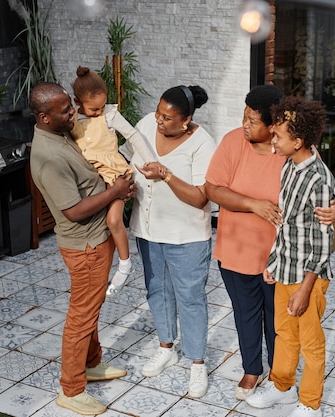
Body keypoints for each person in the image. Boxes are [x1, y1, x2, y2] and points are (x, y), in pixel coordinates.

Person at [204, 85, 335, 401]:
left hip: (284, 260)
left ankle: (284, 382)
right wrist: (253, 204)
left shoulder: (298, 154)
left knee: (282, 324)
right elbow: (212, 188)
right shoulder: (232, 143)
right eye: (244, 118)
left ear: (273, 126)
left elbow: (325, 197)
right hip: (239, 252)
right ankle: (253, 370)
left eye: (253, 121)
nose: (245, 125)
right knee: (247, 314)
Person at [28, 82, 134, 416]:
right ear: (45, 118)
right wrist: (116, 191)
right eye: (65, 111)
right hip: (84, 245)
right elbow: (73, 210)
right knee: (81, 316)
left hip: (95, 238)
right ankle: (71, 391)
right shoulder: (49, 157)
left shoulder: (60, 135)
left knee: (92, 307)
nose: (72, 113)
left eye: (70, 106)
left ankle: (90, 364)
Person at [120, 85, 217, 398]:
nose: (159, 121)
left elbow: (201, 198)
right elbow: (125, 158)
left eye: (168, 117)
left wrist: (167, 176)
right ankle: (166, 347)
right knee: (157, 291)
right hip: (148, 231)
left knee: (190, 298)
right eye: (159, 113)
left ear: (186, 120)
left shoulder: (203, 144)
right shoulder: (147, 124)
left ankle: (197, 363)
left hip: (186, 237)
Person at [245, 96, 335, 417]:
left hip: (307, 276)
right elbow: (287, 223)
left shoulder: (319, 180)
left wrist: (305, 289)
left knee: (310, 343)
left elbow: (325, 243)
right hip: (285, 266)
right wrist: (274, 260)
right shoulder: (290, 164)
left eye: (279, 136)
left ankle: (310, 403)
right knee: (284, 333)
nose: (273, 139)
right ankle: (282, 387)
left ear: (297, 141)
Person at [70, 66, 156, 297]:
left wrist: (150, 161)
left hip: (113, 174)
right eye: (93, 108)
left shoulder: (109, 114)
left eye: (101, 106)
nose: (98, 111)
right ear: (77, 101)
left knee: (114, 219)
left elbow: (133, 135)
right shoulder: (71, 118)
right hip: (89, 177)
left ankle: (126, 264)